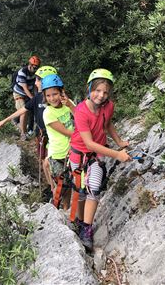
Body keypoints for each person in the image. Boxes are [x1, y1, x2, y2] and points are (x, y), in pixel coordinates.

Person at [69, 68, 131, 250]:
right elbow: (88, 143)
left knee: (94, 189)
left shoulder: (109, 106)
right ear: (89, 88)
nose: (101, 95)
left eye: (105, 92)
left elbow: (108, 123)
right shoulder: (81, 111)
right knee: (80, 191)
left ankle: (86, 229)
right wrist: (118, 155)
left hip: (97, 155)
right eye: (97, 90)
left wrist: (119, 141)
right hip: (79, 155)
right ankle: (80, 221)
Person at [0, 66, 57, 187]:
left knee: (50, 161)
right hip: (41, 134)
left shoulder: (56, 99)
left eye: (38, 80)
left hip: (54, 135)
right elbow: (23, 110)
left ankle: (56, 186)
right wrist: (5, 120)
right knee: (44, 161)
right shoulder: (37, 98)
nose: (35, 82)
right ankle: (52, 187)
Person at [42, 74, 75, 210]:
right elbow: (67, 132)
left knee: (69, 186)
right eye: (48, 96)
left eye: (55, 94)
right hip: (57, 155)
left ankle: (66, 209)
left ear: (61, 92)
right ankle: (54, 210)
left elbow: (80, 114)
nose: (52, 98)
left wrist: (70, 104)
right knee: (61, 186)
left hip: (71, 152)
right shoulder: (48, 113)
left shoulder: (67, 104)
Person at [12, 55, 41, 140]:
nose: (36, 69)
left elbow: (36, 85)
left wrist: (37, 95)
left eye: (37, 67)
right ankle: (23, 134)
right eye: (35, 67)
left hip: (29, 92)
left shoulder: (36, 72)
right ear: (30, 65)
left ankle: (29, 129)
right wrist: (33, 99)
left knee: (31, 109)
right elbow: (25, 88)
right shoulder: (22, 72)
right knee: (23, 111)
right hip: (19, 93)